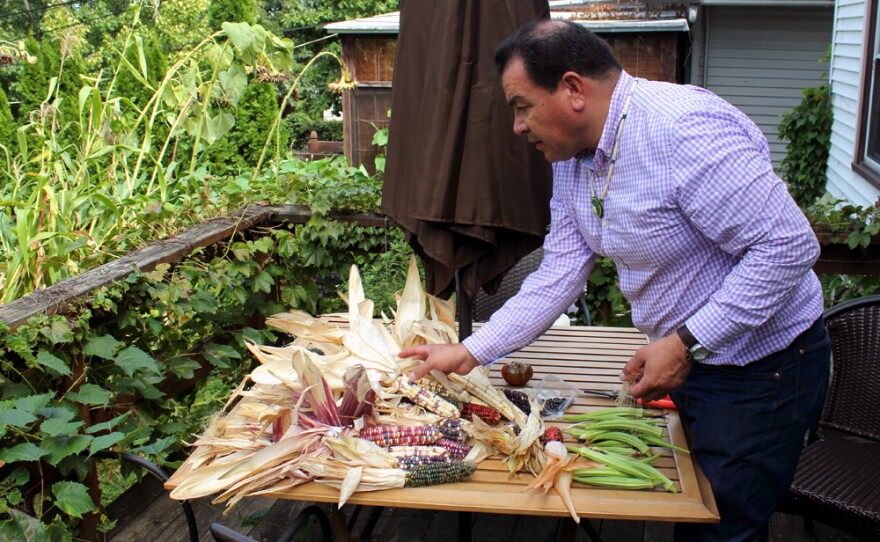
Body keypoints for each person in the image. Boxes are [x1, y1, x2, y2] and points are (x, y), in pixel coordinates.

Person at [401, 19, 832, 542]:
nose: (516, 126)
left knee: (724, 527)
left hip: (764, 368)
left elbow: (788, 247)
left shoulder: (683, 130)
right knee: (694, 515)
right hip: (694, 362)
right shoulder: (572, 161)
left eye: (521, 106)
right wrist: (469, 352)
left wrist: (685, 341)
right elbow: (558, 272)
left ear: (573, 89)